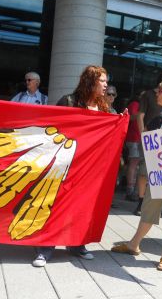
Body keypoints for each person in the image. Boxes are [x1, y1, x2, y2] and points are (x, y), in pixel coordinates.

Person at [111, 78, 162, 271]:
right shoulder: (158, 119)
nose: (156, 94)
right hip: (158, 177)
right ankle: (134, 245)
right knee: (148, 210)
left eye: (159, 91)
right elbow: (147, 142)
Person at [32, 65, 109, 267]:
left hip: (89, 169)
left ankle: (77, 245)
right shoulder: (69, 101)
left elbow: (114, 128)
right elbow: (52, 127)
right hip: (65, 164)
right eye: (102, 81)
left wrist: (123, 118)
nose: (106, 85)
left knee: (81, 207)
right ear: (91, 81)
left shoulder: (104, 107)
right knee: (55, 204)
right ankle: (45, 248)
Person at [132, 71, 162, 214]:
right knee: (144, 171)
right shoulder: (149, 95)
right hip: (149, 138)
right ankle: (141, 202)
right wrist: (143, 135)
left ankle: (159, 204)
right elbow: (140, 115)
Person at [124, 92, 142, 201]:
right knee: (133, 164)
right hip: (134, 138)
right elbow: (132, 117)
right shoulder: (135, 104)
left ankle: (132, 189)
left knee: (135, 164)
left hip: (136, 138)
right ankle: (130, 189)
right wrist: (143, 113)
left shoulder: (136, 104)